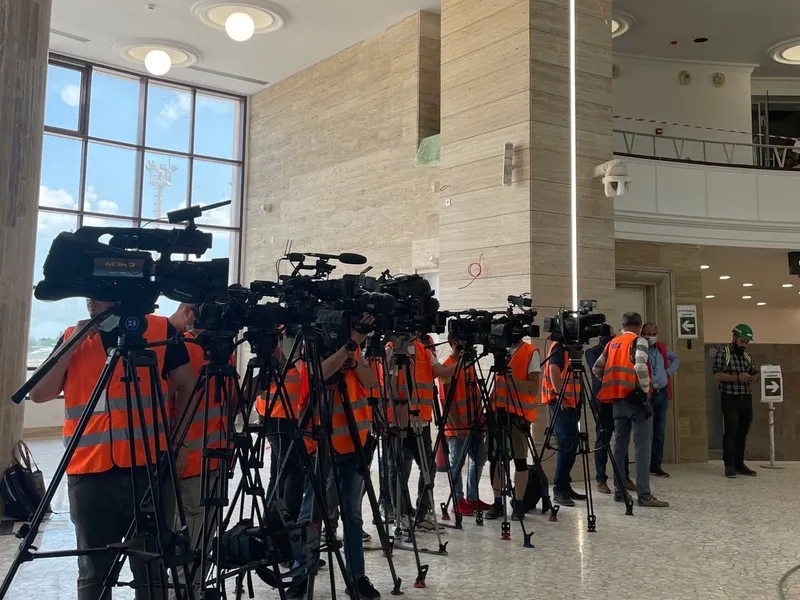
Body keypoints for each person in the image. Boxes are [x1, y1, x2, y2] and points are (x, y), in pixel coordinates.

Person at [29, 299, 196, 600]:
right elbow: (39, 393)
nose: (91, 300)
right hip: (89, 472)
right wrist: (72, 342)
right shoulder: (73, 336)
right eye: (88, 295)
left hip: (148, 468)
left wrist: (177, 441)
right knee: (94, 572)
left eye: (98, 293)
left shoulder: (159, 329)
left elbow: (186, 382)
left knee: (152, 567)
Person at [290, 316, 380, 599]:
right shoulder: (314, 348)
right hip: (321, 448)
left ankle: (357, 577)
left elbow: (371, 380)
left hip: (354, 445)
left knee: (352, 515)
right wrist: (348, 346)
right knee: (311, 513)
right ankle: (301, 573)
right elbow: (318, 374)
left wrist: (354, 358)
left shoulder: (355, 355)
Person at [593, 312, 669, 508]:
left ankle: (619, 490)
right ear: (639, 325)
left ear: (623, 325)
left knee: (619, 446)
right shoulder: (639, 341)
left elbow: (596, 368)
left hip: (618, 401)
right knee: (642, 447)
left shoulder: (612, 344)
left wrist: (612, 383)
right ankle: (644, 495)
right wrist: (646, 390)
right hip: (637, 400)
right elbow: (640, 366)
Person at [385, 333, 456, 532]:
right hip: (398, 421)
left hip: (420, 420)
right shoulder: (392, 347)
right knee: (397, 469)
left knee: (428, 467)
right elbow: (385, 384)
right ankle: (402, 513)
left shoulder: (423, 350)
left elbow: (442, 371)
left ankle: (422, 512)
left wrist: (461, 358)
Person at [485, 334, 541, 522]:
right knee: (497, 459)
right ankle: (498, 502)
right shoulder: (500, 351)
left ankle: (518, 503)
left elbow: (534, 387)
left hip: (519, 415)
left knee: (519, 459)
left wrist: (511, 380)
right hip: (498, 413)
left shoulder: (530, 352)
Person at [254, 329, 307, 522]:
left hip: (283, 421)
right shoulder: (272, 367)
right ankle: (287, 521)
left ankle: (271, 518)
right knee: (293, 472)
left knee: (279, 473)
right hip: (279, 421)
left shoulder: (284, 364)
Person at [438, 332, 490, 516]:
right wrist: (457, 424)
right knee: (456, 464)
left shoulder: (468, 364)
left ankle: (472, 497)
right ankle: (457, 500)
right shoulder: (447, 366)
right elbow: (446, 400)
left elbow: (475, 392)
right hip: (457, 427)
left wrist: (481, 419)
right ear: (453, 342)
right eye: (460, 341)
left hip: (475, 422)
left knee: (480, 459)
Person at [586, 330, 633, 495]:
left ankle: (624, 477)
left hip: (618, 399)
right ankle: (601, 479)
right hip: (601, 401)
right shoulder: (591, 352)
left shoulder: (618, 348)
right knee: (603, 439)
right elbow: (600, 370)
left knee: (622, 438)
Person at [541, 338, 586, 507]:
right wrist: (559, 395)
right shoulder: (559, 347)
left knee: (571, 443)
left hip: (572, 402)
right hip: (562, 402)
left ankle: (565, 485)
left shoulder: (568, 347)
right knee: (567, 443)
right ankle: (559, 488)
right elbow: (553, 369)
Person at [712, 324, 759, 478]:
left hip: (746, 397)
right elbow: (717, 375)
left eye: (746, 342)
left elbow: (755, 373)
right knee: (731, 431)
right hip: (730, 397)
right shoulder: (723, 353)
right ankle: (729, 465)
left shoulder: (747, 356)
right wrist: (738, 377)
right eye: (742, 341)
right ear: (734, 338)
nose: (744, 344)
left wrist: (753, 377)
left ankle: (740, 463)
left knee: (742, 432)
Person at [640, 322, 680, 478]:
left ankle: (656, 465)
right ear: (642, 335)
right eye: (647, 334)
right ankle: (644, 464)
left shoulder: (662, 348)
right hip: (648, 395)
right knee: (646, 432)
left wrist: (667, 372)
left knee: (660, 432)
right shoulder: (640, 349)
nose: (650, 337)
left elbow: (676, 359)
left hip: (662, 394)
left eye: (653, 334)